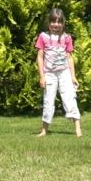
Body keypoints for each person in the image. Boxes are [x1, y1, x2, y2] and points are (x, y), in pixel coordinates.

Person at [35, 7, 82, 137]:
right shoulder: (43, 37)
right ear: (49, 22)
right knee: (48, 101)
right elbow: (40, 57)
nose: (56, 25)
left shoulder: (67, 38)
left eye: (59, 22)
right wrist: (42, 77)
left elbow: (69, 57)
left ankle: (78, 128)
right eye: (53, 21)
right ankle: (44, 130)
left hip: (64, 73)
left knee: (69, 97)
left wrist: (73, 76)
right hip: (49, 74)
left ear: (63, 23)